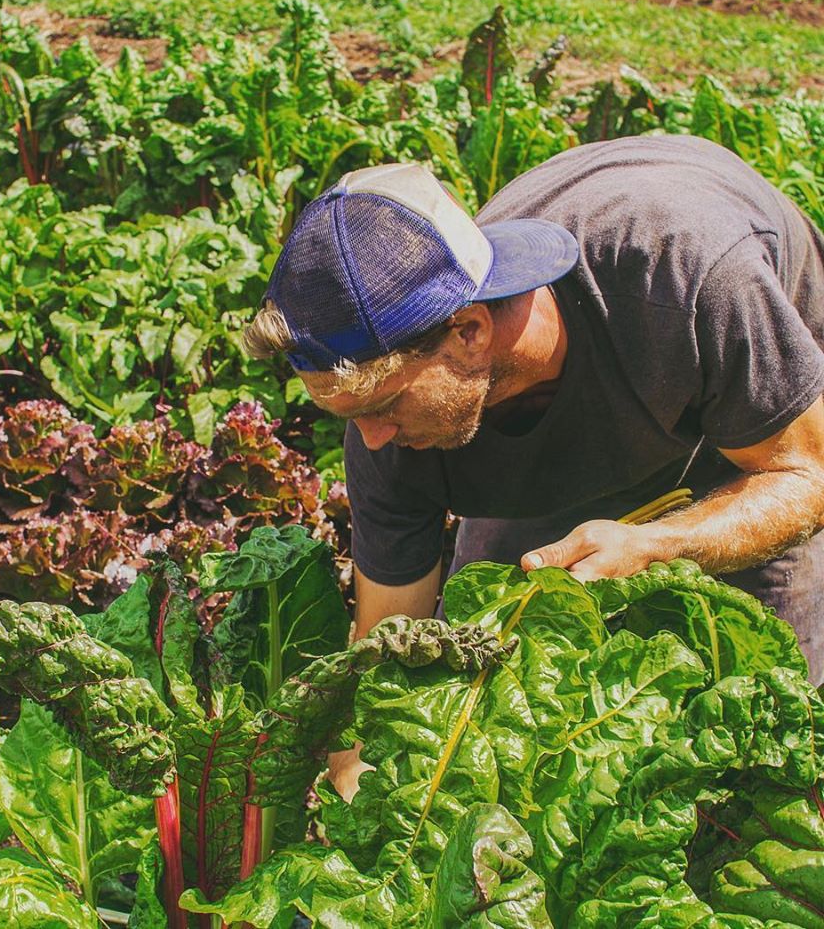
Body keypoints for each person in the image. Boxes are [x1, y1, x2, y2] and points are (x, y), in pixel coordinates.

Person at [243, 135, 824, 686]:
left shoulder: (687, 283)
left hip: (748, 413)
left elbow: (806, 475)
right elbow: (387, 654)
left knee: (761, 699)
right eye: (350, 415)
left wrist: (662, 543)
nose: (373, 439)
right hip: (586, 409)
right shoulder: (387, 427)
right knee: (489, 660)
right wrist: (353, 764)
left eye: (387, 403)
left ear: (469, 329)